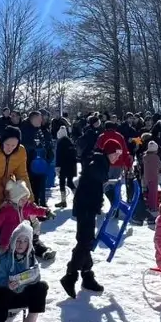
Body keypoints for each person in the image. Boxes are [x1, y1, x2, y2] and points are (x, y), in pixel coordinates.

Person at [63, 141, 115, 297]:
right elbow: (93, 173)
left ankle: (87, 276)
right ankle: (70, 275)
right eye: (116, 153)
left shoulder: (101, 161)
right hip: (85, 206)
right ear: (109, 152)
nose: (117, 156)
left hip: (88, 206)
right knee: (85, 241)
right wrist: (106, 178)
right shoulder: (98, 162)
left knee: (86, 240)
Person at [0, 222, 47, 322]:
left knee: (42, 286)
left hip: (24, 295)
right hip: (8, 297)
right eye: (18, 240)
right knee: (0, 292)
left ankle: (31, 320)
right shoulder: (5, 258)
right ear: (13, 241)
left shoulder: (31, 258)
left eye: (25, 241)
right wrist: (7, 284)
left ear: (29, 243)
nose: (21, 244)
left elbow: (37, 276)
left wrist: (32, 279)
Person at [54, 126, 78, 209]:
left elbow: (58, 155)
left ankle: (63, 201)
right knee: (70, 183)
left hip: (63, 166)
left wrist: (57, 166)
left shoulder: (60, 142)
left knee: (62, 183)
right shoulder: (70, 141)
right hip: (71, 165)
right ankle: (77, 199)